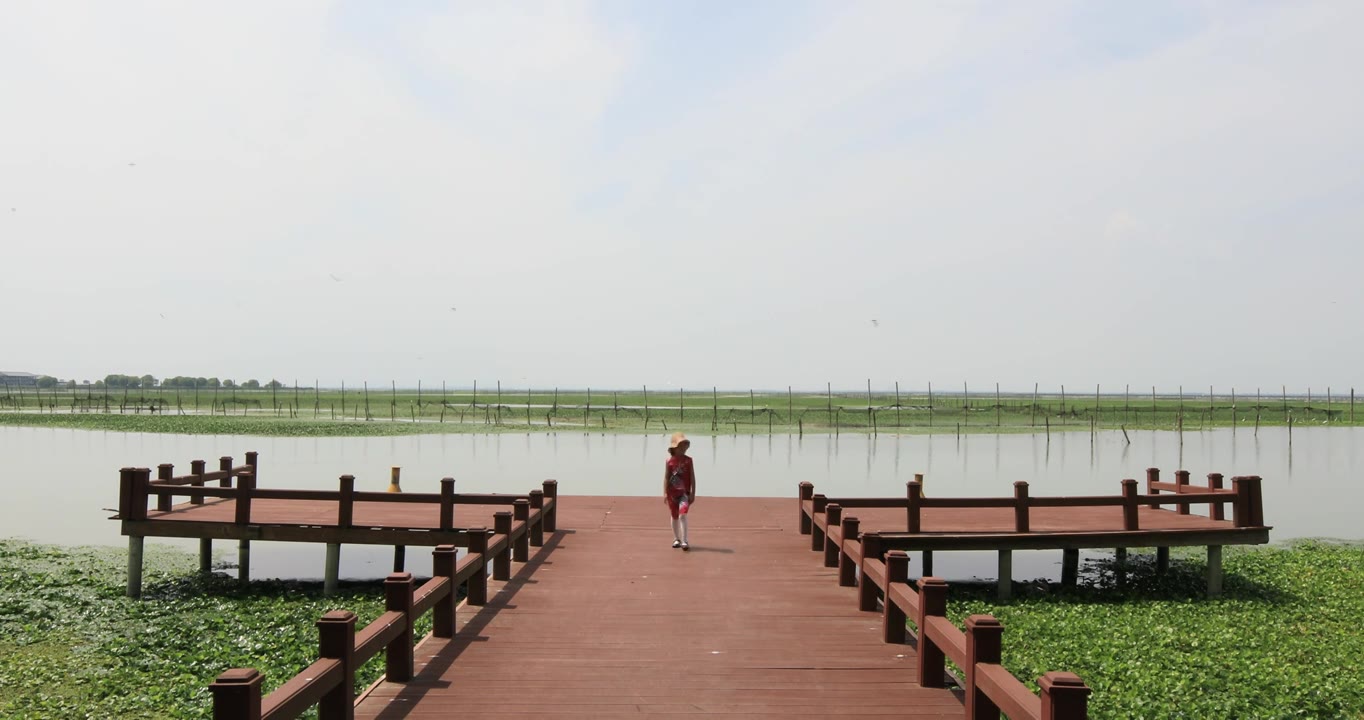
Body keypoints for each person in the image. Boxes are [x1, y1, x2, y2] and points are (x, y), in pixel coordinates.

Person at [663, 432, 697, 550]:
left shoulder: (689, 461)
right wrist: (665, 493)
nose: (683, 448)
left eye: (684, 446)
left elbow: (692, 477)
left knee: (683, 514)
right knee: (674, 515)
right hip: (672, 493)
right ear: (675, 448)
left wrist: (693, 493)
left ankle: (685, 540)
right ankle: (676, 538)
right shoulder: (669, 461)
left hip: (684, 493)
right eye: (681, 446)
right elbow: (666, 477)